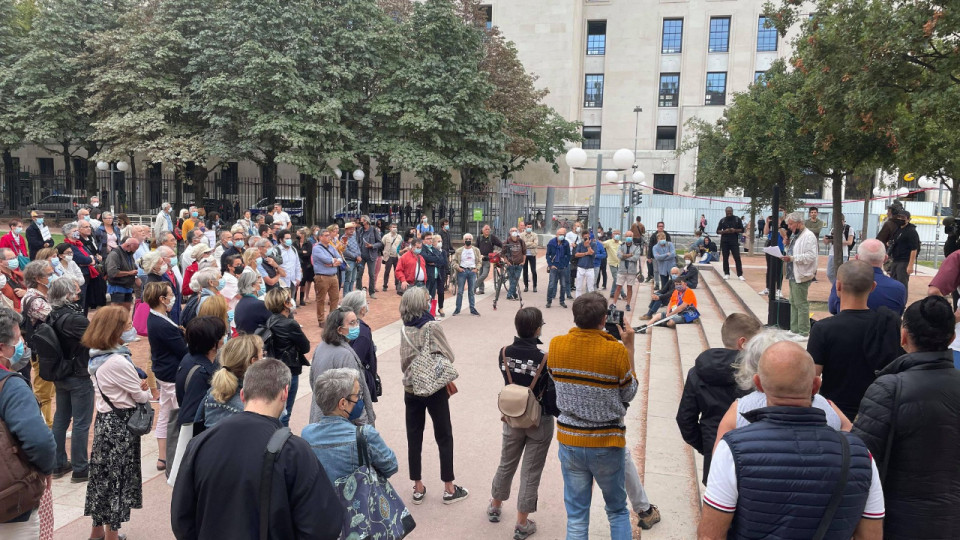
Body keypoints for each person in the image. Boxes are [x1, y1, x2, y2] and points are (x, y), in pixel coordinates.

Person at [697, 341, 884, 539]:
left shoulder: (733, 449)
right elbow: (870, 535)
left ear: (758, 384)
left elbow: (710, 535)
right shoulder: (860, 454)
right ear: (815, 385)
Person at [171, 358, 343, 539]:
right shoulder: (294, 451)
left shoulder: (200, 442)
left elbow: (181, 519)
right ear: (285, 392)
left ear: (243, 394)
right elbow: (322, 525)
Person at [851, 296, 960, 539]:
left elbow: (861, 461)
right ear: (952, 338)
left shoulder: (888, 389)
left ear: (903, 336)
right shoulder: (890, 387)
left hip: (897, 522)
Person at [549, 292, 658, 537]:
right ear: (604, 319)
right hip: (607, 441)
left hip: (570, 440)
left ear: (575, 317)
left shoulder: (556, 344)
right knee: (617, 510)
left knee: (576, 518)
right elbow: (629, 393)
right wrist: (629, 347)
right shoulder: (615, 351)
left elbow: (557, 379)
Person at [486, 308, 559, 539]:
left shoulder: (504, 352)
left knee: (506, 462)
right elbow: (550, 394)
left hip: (512, 415)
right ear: (538, 329)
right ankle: (521, 523)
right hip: (539, 419)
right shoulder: (544, 358)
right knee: (531, 472)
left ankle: (495, 506)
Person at [714, 328, 852, 447]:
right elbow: (849, 432)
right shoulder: (826, 405)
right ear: (815, 385)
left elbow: (720, 462)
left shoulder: (738, 410)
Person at [82, 306, 152, 540]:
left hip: (105, 421)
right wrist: (145, 388)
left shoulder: (96, 356)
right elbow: (141, 396)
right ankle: (112, 535)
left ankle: (97, 532)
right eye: (126, 325)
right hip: (121, 426)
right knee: (117, 480)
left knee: (102, 477)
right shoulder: (117, 361)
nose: (130, 327)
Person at [397, 287, 468, 505]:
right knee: (444, 434)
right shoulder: (432, 326)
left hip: (411, 388)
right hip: (434, 388)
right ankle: (448, 487)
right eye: (427, 299)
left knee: (414, 436)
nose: (430, 302)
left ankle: (417, 486)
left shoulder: (404, 329)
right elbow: (449, 354)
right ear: (421, 304)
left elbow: (403, 362)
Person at [807, 261, 902, 420]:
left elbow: (811, 379)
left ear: (838, 286)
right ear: (873, 286)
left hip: (835, 414)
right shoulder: (887, 325)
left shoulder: (823, 329)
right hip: (878, 414)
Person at [676, 313, 762, 484]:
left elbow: (685, 418)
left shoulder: (698, 372)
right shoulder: (757, 372)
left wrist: (707, 445)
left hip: (714, 448)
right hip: (751, 450)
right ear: (742, 343)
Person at [0, 307, 55, 538]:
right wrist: (45, 468)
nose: (21, 344)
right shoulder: (11, 386)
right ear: (2, 348)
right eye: (18, 339)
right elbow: (39, 441)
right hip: (10, 501)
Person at [302, 366, 398, 484]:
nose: (359, 400)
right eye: (357, 395)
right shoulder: (366, 435)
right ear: (342, 403)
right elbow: (391, 466)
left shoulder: (307, 434)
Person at [45, 278, 93, 483]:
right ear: (67, 295)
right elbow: (97, 339)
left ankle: (57, 463)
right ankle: (80, 467)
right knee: (81, 423)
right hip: (78, 374)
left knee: (60, 420)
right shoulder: (75, 318)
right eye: (75, 290)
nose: (79, 292)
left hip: (60, 373)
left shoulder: (50, 316)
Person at [143, 281, 188, 473]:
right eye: (170, 294)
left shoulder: (159, 318)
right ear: (162, 299)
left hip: (164, 372)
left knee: (166, 413)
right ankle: (178, 454)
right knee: (180, 413)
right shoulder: (161, 323)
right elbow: (181, 349)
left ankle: (163, 456)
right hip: (170, 374)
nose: (173, 297)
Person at [309, 307, 377, 425]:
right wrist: (365, 427)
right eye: (352, 323)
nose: (357, 326)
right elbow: (355, 396)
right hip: (342, 423)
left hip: (320, 415)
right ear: (340, 330)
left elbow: (312, 380)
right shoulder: (346, 355)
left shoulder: (321, 347)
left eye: (357, 321)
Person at [263, 287, 310, 425]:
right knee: (285, 411)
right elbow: (305, 346)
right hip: (289, 369)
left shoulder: (270, 321)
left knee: (275, 408)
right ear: (285, 303)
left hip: (273, 367)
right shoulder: (290, 324)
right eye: (289, 299)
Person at [197, 334, 263, 429]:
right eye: (262, 355)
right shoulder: (250, 406)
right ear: (253, 361)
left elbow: (198, 421)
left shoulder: (213, 393)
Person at [828, 238, 907, 315]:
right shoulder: (899, 288)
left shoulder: (843, 282)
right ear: (885, 258)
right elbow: (899, 313)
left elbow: (833, 309)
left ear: (857, 258)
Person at [176, 316, 227, 432]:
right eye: (222, 335)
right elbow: (191, 415)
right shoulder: (200, 373)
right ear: (214, 341)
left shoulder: (189, 358)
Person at [21, 260, 55, 424]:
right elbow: (55, 319)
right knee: (43, 392)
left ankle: (50, 424)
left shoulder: (43, 295)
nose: (53, 277)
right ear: (37, 278)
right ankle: (45, 427)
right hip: (42, 351)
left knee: (50, 390)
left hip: (48, 350)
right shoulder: (35, 300)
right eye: (49, 274)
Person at [780, 212, 818, 338]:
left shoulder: (808, 236)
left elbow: (810, 256)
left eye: (791, 224)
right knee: (793, 301)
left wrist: (792, 258)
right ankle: (794, 329)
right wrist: (787, 247)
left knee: (801, 303)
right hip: (793, 273)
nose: (789, 227)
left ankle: (803, 332)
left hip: (802, 273)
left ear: (799, 223)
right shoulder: (797, 235)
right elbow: (793, 251)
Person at [341, 291, 379, 403]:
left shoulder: (342, 324)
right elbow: (356, 361)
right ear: (362, 309)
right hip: (357, 386)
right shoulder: (362, 331)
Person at [142, 248, 182, 324]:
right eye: (161, 262)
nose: (164, 263)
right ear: (153, 267)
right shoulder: (152, 284)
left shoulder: (160, 277)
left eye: (163, 261)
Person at [312, 229, 342, 326]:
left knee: (335, 298)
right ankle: (321, 320)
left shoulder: (331, 247)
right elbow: (325, 259)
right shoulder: (317, 248)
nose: (329, 237)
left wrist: (333, 263)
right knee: (321, 299)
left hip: (333, 276)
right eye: (326, 235)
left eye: (329, 235)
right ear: (320, 237)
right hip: (322, 276)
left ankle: (332, 319)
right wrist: (333, 262)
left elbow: (340, 258)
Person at [888, 210, 920, 290]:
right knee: (893, 282)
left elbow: (914, 249)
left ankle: (902, 300)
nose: (900, 219)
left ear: (908, 219)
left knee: (902, 284)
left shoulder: (911, 231)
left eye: (903, 218)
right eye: (899, 217)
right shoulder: (898, 229)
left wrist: (910, 265)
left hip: (904, 261)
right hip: (895, 260)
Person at [104, 237, 139, 309]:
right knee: (116, 311)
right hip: (117, 287)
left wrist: (135, 276)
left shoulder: (129, 253)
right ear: (127, 246)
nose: (134, 252)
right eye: (133, 249)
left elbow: (133, 267)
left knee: (126, 309)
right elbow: (112, 272)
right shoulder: (114, 254)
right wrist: (129, 273)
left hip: (128, 286)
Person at [451, 233, 481, 317]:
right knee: (460, 291)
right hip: (462, 271)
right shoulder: (459, 251)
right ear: (463, 240)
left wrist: (477, 269)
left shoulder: (476, 250)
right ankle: (457, 309)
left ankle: (472, 309)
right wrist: (458, 268)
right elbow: (454, 261)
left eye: (469, 239)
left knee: (471, 291)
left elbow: (479, 261)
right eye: (466, 239)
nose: (468, 240)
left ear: (472, 240)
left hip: (472, 271)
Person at [760, 213, 787, 297]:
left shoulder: (785, 224)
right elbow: (765, 232)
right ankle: (768, 287)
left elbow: (785, 236)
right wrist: (767, 222)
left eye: (781, 211)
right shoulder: (772, 222)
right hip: (770, 247)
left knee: (779, 269)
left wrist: (779, 226)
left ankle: (778, 289)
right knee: (770, 268)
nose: (779, 213)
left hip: (780, 248)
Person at [716, 207, 745, 280]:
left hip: (734, 241)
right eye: (727, 212)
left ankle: (740, 274)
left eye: (730, 212)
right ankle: (726, 273)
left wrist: (734, 230)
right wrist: (724, 231)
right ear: (725, 212)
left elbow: (742, 229)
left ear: (732, 211)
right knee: (725, 258)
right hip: (724, 241)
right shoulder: (722, 220)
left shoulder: (737, 219)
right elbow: (718, 231)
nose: (729, 213)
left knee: (737, 257)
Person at [544, 228, 570, 309]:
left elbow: (568, 255)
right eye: (560, 234)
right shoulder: (551, 243)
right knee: (551, 284)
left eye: (563, 234)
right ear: (556, 234)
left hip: (563, 267)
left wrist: (565, 264)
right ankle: (549, 301)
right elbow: (548, 255)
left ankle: (562, 301)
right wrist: (550, 265)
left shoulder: (566, 243)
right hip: (554, 266)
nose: (561, 236)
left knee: (563, 285)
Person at [476, 224, 503, 295]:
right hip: (480, 259)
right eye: (486, 229)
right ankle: (481, 289)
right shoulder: (479, 238)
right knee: (480, 274)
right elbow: (476, 248)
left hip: (488, 259)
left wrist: (503, 249)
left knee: (484, 274)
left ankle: (474, 286)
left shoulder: (492, 237)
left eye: (488, 229)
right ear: (482, 230)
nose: (487, 231)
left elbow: (500, 244)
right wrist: (478, 255)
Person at [503, 227, 526, 301]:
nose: (514, 232)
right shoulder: (507, 241)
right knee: (512, 280)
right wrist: (506, 261)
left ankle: (510, 294)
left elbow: (524, 252)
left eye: (515, 231)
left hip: (519, 264)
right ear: (510, 232)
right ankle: (513, 294)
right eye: (512, 231)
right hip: (510, 264)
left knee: (515, 279)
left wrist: (523, 262)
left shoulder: (521, 241)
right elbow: (503, 253)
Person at [573, 229, 598, 297]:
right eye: (585, 237)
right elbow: (576, 254)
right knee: (578, 286)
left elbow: (592, 253)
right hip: (581, 267)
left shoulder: (593, 244)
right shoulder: (580, 245)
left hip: (590, 268)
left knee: (590, 287)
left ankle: (591, 300)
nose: (586, 238)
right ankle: (578, 299)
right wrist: (586, 253)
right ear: (582, 237)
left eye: (587, 236)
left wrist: (588, 246)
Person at [647, 222, 672, 286]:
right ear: (657, 227)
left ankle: (665, 284)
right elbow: (650, 246)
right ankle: (657, 284)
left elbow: (669, 245)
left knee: (665, 270)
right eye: (659, 226)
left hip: (665, 256)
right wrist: (649, 256)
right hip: (656, 256)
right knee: (656, 270)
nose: (661, 227)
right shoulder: (653, 235)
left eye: (662, 226)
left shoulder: (667, 235)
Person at [381, 222, 403, 293]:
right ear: (390, 228)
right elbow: (382, 245)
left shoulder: (399, 237)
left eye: (395, 227)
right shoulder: (386, 236)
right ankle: (385, 285)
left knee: (397, 271)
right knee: (387, 271)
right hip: (389, 256)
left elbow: (401, 246)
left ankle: (397, 285)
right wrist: (384, 254)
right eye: (393, 227)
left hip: (396, 256)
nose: (394, 228)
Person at [295, 227, 313, 305]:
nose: (297, 235)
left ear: (303, 235)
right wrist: (302, 252)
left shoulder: (308, 243)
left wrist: (300, 253)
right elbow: (295, 252)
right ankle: (294, 299)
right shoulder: (295, 243)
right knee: (296, 283)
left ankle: (301, 299)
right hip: (297, 265)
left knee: (303, 283)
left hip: (306, 265)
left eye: (299, 233)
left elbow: (308, 253)